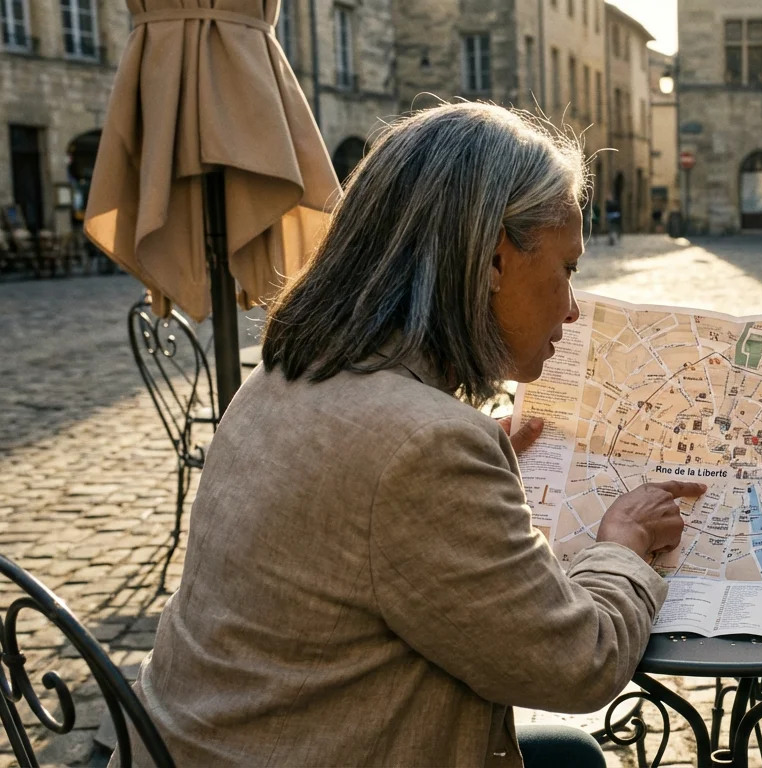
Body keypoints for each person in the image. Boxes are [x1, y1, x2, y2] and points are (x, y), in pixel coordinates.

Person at [123, 103, 705, 767]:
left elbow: (370, 500)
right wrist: (624, 546)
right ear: (491, 261)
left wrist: (467, 465)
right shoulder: (424, 448)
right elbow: (578, 663)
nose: (572, 307)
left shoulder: (284, 376)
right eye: (568, 268)